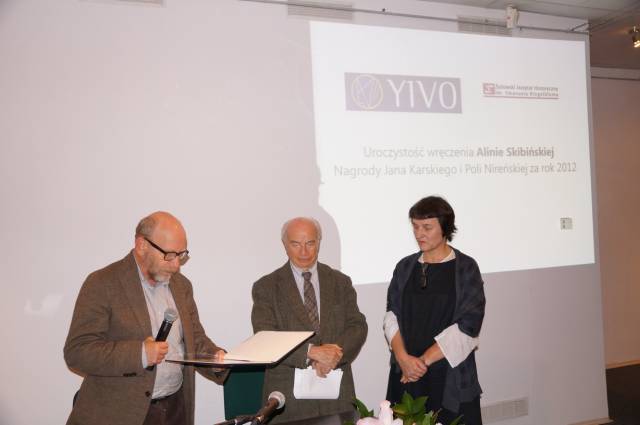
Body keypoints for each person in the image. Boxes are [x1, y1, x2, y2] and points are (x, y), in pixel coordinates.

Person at [64, 211, 228, 425]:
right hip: (120, 415)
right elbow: (78, 352)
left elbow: (194, 338)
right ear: (142, 245)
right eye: (169, 255)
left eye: (181, 255)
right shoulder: (102, 283)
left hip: (175, 410)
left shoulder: (182, 286)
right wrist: (140, 354)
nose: (176, 265)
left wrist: (215, 359)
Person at [251, 217, 368, 423]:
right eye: (296, 244)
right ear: (285, 245)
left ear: (319, 242)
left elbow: (357, 326)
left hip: (337, 395)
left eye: (310, 243)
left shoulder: (340, 282)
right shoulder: (266, 287)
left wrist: (333, 354)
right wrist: (311, 352)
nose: (304, 251)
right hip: (287, 400)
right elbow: (265, 336)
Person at [384, 196, 485, 425]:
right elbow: (391, 316)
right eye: (415, 227)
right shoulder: (405, 266)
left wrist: (421, 362)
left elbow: (469, 326)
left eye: (427, 227)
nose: (419, 234)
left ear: (445, 228)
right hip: (407, 372)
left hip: (448, 375)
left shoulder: (466, 268)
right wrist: (403, 359)